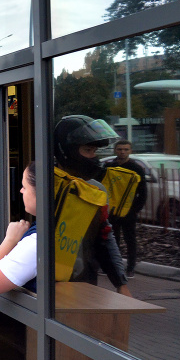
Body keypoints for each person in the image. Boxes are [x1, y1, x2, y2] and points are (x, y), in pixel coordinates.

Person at [53, 115, 130, 295]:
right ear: (67, 151)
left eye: (94, 151)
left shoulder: (96, 190)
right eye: (87, 150)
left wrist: (120, 282)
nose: (93, 157)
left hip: (83, 282)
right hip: (43, 284)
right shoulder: (42, 186)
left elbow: (104, 236)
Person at [0, 162, 37, 294]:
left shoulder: (37, 240)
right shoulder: (61, 228)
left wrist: (10, 239)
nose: (21, 191)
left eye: (24, 187)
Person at [102, 140, 147, 277]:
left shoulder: (136, 168)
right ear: (115, 150)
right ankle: (112, 267)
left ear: (130, 151)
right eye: (120, 149)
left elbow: (143, 192)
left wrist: (134, 210)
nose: (123, 152)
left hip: (129, 212)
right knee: (111, 240)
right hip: (112, 211)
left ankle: (130, 268)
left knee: (130, 240)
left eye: (126, 149)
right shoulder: (109, 167)